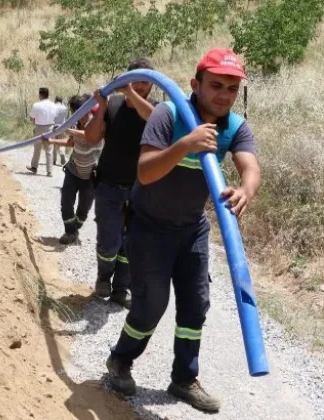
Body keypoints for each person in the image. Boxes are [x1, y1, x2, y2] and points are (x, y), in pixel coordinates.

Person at [104, 48, 261, 413]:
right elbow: (145, 172)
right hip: (148, 228)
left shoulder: (234, 127)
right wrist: (185, 145)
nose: (223, 95)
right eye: (216, 85)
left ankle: (184, 378)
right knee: (151, 305)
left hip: (192, 230)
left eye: (231, 88)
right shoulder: (168, 113)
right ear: (196, 84)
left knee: (195, 306)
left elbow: (250, 167)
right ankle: (121, 359)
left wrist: (245, 189)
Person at [84, 57, 157, 309]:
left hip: (142, 190)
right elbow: (92, 138)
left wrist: (128, 92)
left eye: (145, 81)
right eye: (134, 79)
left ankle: (121, 289)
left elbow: (150, 117)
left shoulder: (158, 110)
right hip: (109, 186)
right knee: (110, 240)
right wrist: (102, 107)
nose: (139, 85)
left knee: (131, 242)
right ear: (126, 78)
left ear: (153, 85)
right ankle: (104, 277)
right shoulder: (113, 105)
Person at [48, 94, 104, 245]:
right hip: (73, 171)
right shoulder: (73, 124)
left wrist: (66, 129)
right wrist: (51, 140)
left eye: (82, 112)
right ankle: (70, 232)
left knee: (83, 211)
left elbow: (90, 137)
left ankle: (75, 228)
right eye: (76, 113)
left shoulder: (96, 122)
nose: (80, 116)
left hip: (91, 175)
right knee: (66, 203)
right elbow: (71, 143)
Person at [27, 87, 56, 176]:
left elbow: (32, 118)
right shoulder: (53, 105)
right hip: (50, 127)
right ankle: (49, 171)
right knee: (49, 150)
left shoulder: (37, 105)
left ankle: (34, 167)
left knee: (37, 149)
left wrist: (35, 122)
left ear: (40, 94)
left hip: (39, 127)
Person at [52, 96, 69, 166]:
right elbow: (67, 118)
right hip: (62, 127)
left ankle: (54, 160)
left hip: (53, 127)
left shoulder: (52, 107)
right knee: (62, 143)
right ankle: (62, 153)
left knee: (53, 144)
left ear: (55, 100)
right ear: (61, 101)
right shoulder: (65, 108)